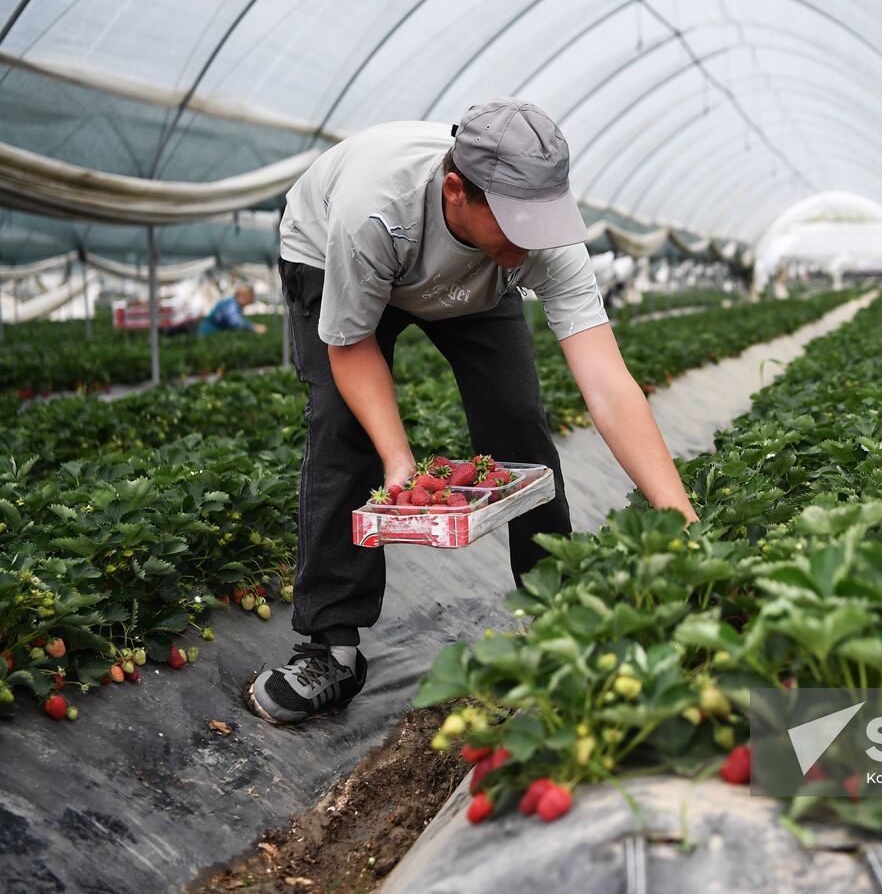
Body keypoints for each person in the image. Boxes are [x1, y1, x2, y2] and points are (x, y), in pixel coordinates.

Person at [248, 98, 698, 725]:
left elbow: (606, 381)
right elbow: (350, 349)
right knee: (342, 429)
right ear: (457, 190)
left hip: (478, 278)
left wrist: (680, 516)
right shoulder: (372, 212)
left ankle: (556, 614)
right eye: (516, 223)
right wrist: (398, 459)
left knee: (518, 422)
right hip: (335, 256)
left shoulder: (533, 236)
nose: (534, 238)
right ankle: (332, 647)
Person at [198, 284, 268, 336]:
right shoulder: (231, 304)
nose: (251, 301)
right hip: (209, 333)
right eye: (251, 298)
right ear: (244, 297)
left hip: (216, 334)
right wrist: (254, 327)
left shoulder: (236, 304)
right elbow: (235, 322)